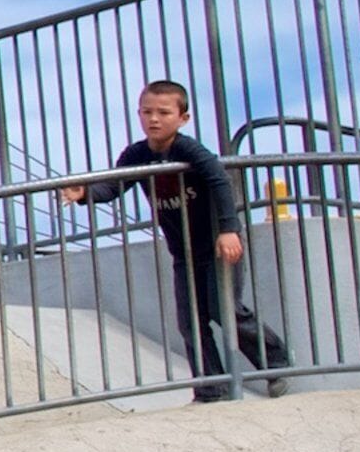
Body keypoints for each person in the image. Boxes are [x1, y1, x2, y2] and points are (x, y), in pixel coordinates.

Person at [60, 79, 283, 403]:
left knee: (226, 310)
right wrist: (84, 193)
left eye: (164, 112)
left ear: (183, 118)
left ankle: (276, 363)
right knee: (190, 321)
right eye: (147, 112)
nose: (154, 119)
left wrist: (228, 229)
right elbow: (113, 187)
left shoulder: (188, 149)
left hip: (218, 248)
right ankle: (212, 389)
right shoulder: (136, 154)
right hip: (184, 253)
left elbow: (219, 181)